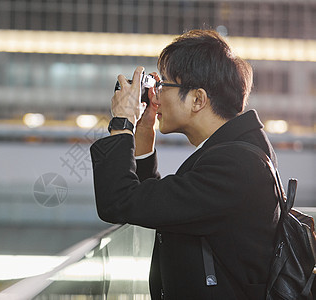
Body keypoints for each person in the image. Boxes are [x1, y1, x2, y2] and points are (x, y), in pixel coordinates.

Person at [90, 30, 280, 299]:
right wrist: (144, 130)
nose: (156, 93)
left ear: (197, 99)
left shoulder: (236, 165)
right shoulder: (235, 153)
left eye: (164, 84)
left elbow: (118, 202)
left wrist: (122, 122)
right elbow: (157, 204)